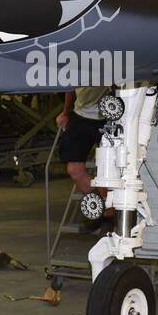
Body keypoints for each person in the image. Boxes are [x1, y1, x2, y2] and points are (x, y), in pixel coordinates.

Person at [57, 86, 113, 230]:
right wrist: (65, 112)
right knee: (74, 170)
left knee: (106, 171)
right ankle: (98, 208)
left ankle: (108, 215)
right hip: (80, 116)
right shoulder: (77, 66)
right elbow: (69, 87)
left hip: (107, 117)